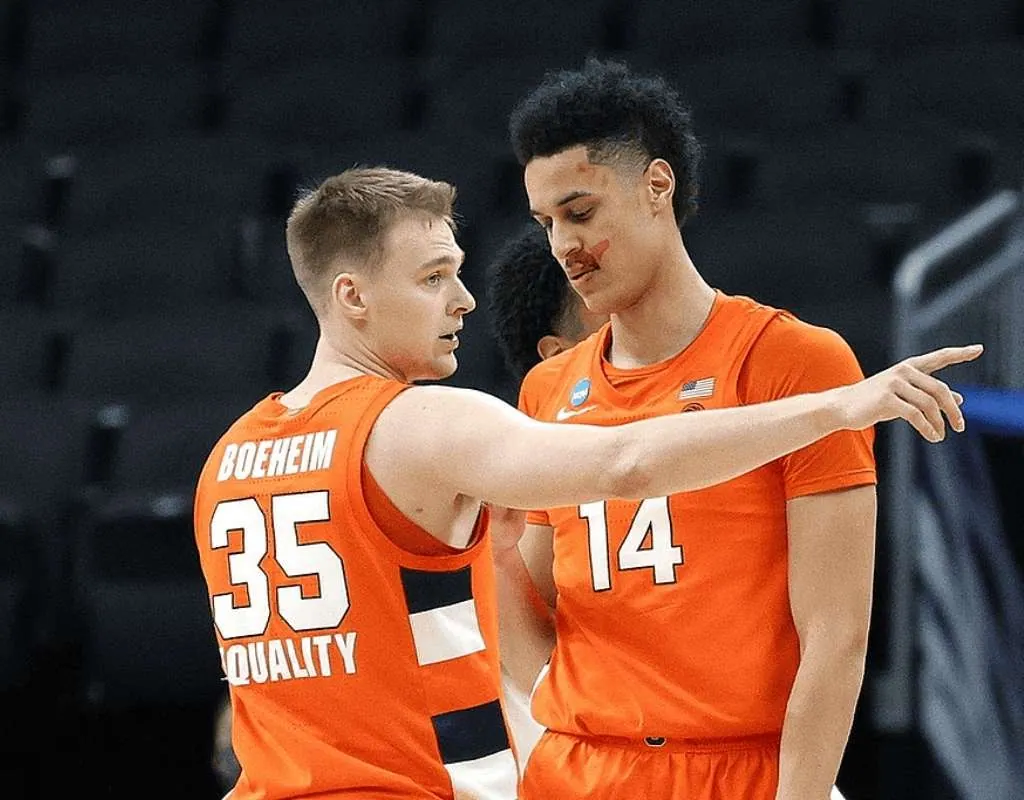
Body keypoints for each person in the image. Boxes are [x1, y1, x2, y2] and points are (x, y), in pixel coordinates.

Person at [192, 165, 976, 800]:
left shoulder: (225, 461)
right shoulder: (421, 424)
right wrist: (836, 406)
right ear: (352, 297)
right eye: (434, 278)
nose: (463, 300)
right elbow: (624, 464)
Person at [494, 58, 944, 800]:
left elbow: (837, 639)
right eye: (545, 223)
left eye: (580, 213)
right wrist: (498, 552)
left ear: (657, 186)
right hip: (577, 766)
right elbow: (529, 630)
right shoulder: (548, 388)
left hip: (741, 768)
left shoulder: (797, 361)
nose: (562, 246)